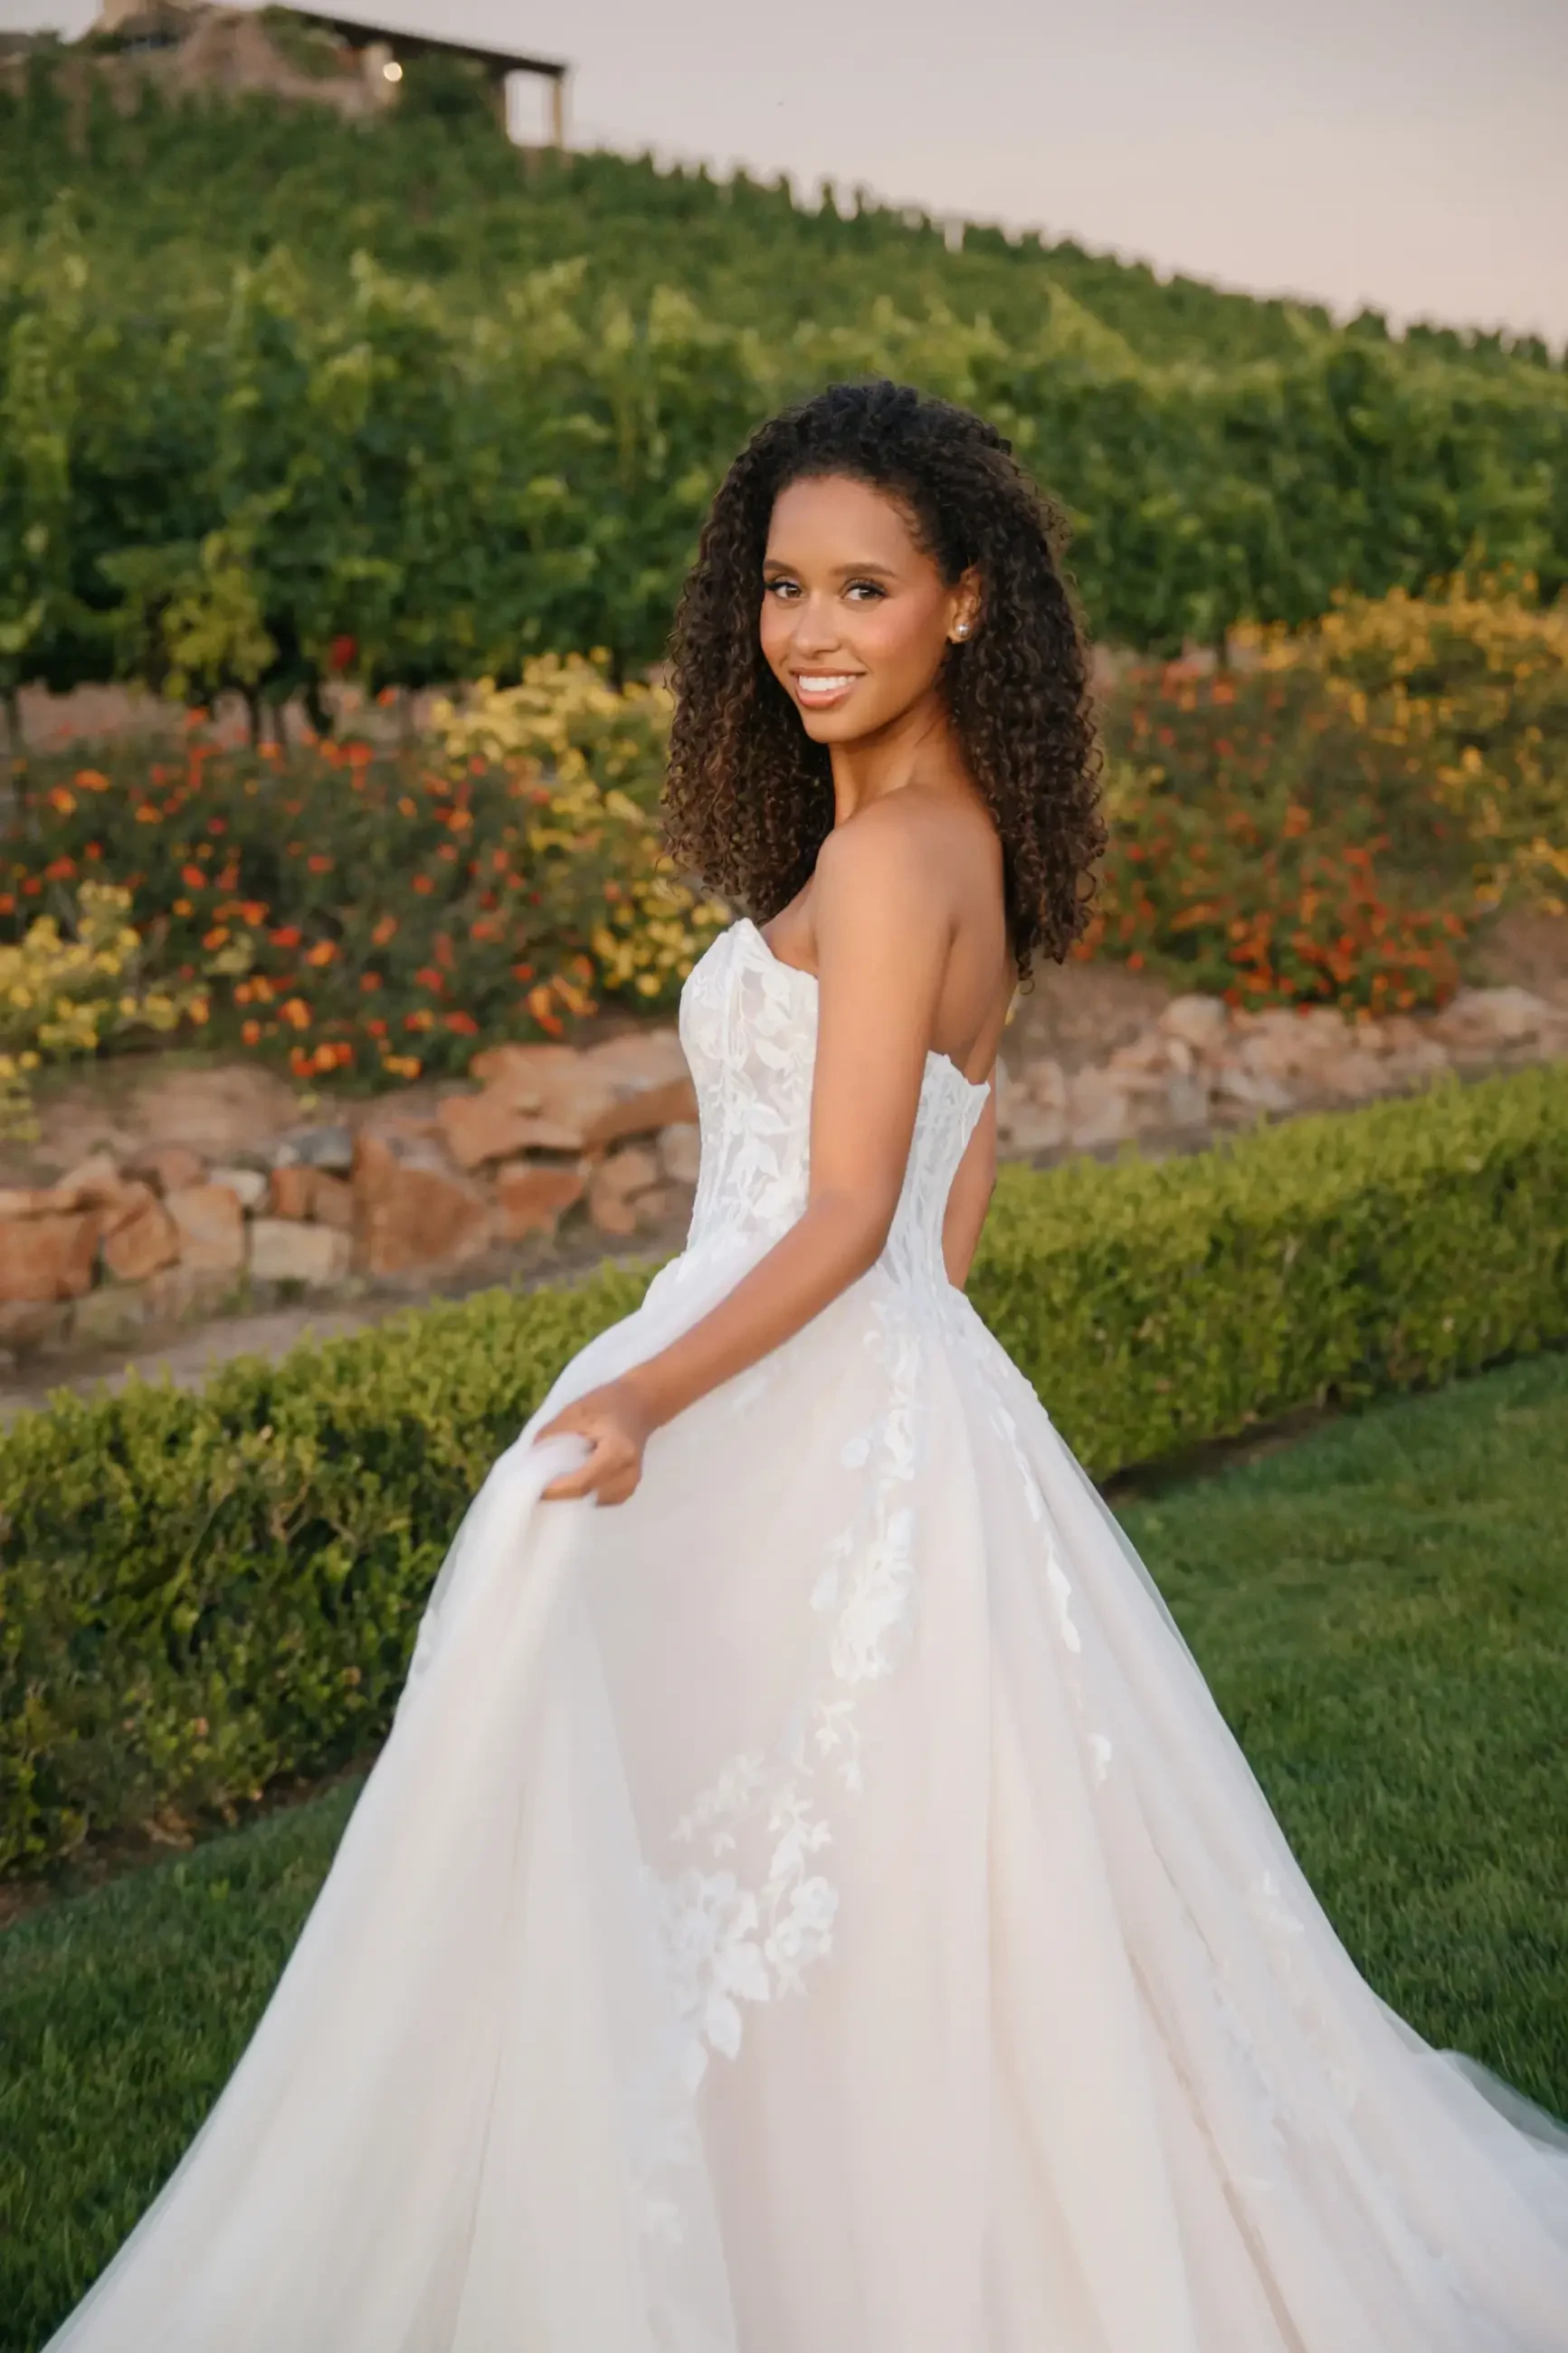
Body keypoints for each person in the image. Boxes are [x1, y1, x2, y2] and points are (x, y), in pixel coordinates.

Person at [45, 380, 1568, 2352]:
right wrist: (904, 1372)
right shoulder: (954, 844)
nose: (810, 630)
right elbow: (968, 1140)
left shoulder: (886, 858)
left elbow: (847, 1203)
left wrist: (644, 1401)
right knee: (812, 1863)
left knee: (736, 1847)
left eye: (863, 585)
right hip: (871, 1400)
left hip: (794, 1373)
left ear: (965, 606)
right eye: (779, 586)